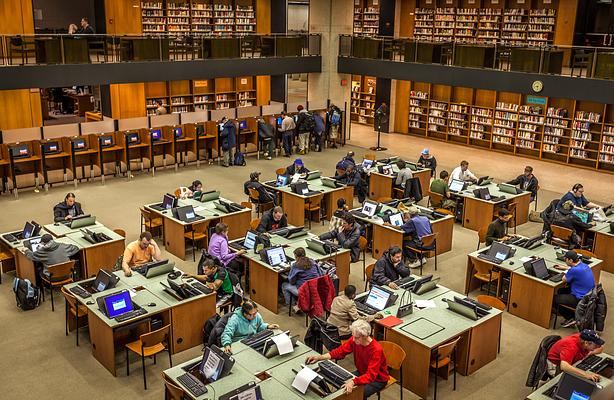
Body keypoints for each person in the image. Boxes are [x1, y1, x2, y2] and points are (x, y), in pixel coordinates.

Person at [305, 320, 390, 399]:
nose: (353, 339)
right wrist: (320, 357)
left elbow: (371, 375)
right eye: (353, 336)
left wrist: (353, 382)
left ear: (365, 336)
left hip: (378, 380)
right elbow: (340, 351)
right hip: (362, 372)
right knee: (342, 387)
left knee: (355, 394)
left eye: (356, 337)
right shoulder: (355, 340)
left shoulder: (376, 350)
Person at [553, 250, 596, 327]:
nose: (564, 260)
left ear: (570, 260)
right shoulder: (584, 265)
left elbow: (564, 279)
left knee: (553, 299)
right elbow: (575, 269)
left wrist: (567, 271)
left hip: (580, 299)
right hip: (589, 295)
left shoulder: (574, 270)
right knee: (560, 290)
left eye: (566, 259)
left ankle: (571, 318)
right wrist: (566, 267)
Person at [281, 247, 322, 312]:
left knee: (284, 285)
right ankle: (299, 302)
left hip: (303, 291)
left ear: (296, 257)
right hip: (316, 289)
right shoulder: (312, 262)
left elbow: (292, 281)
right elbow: (320, 274)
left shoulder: (296, 265)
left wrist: (288, 274)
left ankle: (294, 306)